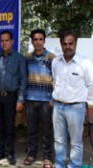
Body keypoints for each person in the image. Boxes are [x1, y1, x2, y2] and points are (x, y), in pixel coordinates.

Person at [52, 30, 93, 168]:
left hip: (76, 108)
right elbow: (54, 80)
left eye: (71, 43)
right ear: (61, 44)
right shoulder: (55, 62)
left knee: (76, 142)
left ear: (76, 43)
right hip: (58, 107)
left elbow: (91, 85)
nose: (68, 46)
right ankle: (59, 165)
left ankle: (74, 166)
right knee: (59, 140)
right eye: (65, 43)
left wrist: (82, 100)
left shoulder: (85, 63)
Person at [0, 30, 27, 165]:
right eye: (2, 40)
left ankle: (10, 153)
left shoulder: (18, 58)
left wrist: (20, 99)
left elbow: (23, 80)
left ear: (12, 41)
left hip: (11, 97)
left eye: (6, 40)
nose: (4, 43)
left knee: (10, 127)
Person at [24, 29, 55, 167]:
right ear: (32, 41)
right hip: (30, 100)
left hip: (46, 101)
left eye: (40, 39)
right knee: (31, 129)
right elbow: (23, 78)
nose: (38, 42)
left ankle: (47, 157)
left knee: (46, 131)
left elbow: (57, 79)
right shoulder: (27, 58)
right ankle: (31, 154)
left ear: (44, 41)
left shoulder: (52, 58)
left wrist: (53, 99)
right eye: (35, 39)